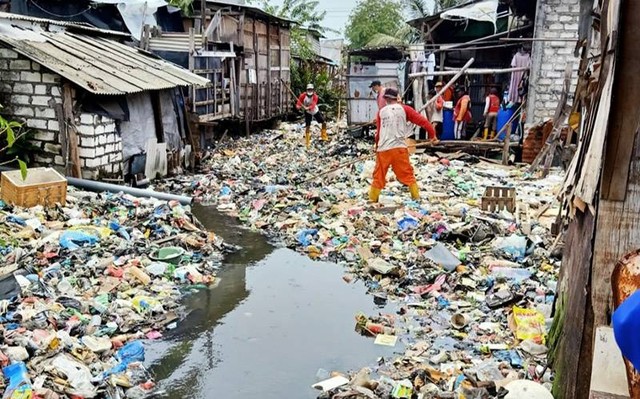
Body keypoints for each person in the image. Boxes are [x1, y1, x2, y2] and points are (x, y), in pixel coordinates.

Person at [369, 87, 437, 203]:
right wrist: (432, 136)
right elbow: (423, 122)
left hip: (383, 149)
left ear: (385, 99)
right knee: (407, 173)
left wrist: (376, 148)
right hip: (399, 148)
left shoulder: (381, 112)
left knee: (378, 175)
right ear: (397, 98)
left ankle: (372, 200)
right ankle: (416, 198)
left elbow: (378, 134)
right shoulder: (405, 109)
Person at [296, 83, 327, 148]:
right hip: (307, 112)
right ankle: (307, 142)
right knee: (307, 126)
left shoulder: (315, 96)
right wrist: (298, 106)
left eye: (311, 89)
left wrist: (308, 107)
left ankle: (324, 136)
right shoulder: (302, 96)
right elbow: (298, 103)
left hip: (315, 111)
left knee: (324, 122)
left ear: (313, 90)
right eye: (308, 89)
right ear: (306, 90)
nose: (310, 91)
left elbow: (313, 104)